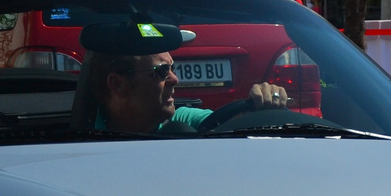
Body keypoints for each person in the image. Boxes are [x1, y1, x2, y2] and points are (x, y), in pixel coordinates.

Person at [80, 20, 287, 134]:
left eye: (173, 68)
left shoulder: (182, 119)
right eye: (161, 71)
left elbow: (234, 124)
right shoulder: (75, 142)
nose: (175, 79)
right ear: (118, 84)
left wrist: (264, 105)